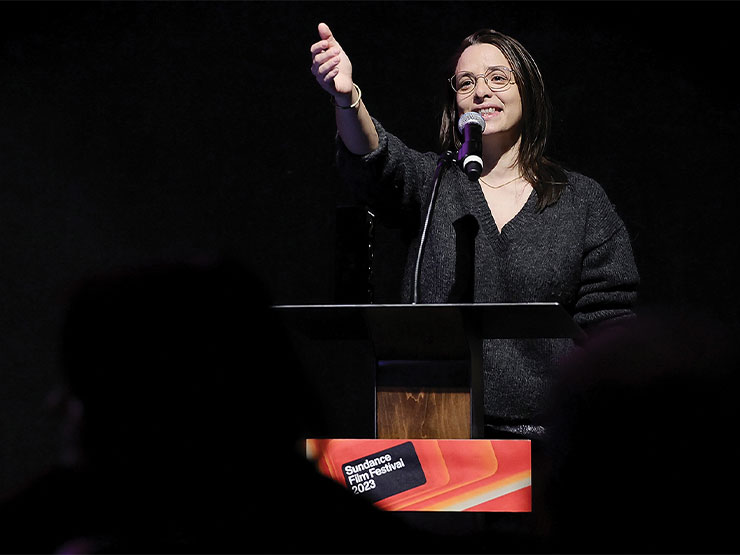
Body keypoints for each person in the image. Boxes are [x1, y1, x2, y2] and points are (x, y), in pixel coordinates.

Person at [310, 23, 640, 441]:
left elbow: (609, 327)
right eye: (467, 83)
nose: (481, 91)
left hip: (549, 438)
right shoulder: (434, 182)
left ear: (528, 90)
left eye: (498, 78)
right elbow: (376, 158)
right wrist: (347, 98)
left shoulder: (582, 200)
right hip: (436, 428)